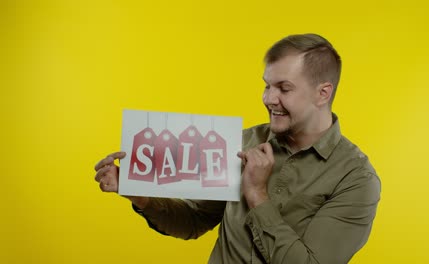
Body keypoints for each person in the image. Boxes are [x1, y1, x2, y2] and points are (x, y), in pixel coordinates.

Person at [94, 33, 381, 263]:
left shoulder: (356, 179)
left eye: (284, 88)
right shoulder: (241, 142)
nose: (269, 98)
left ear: (323, 93)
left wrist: (256, 194)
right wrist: (139, 194)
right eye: (267, 86)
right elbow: (194, 221)